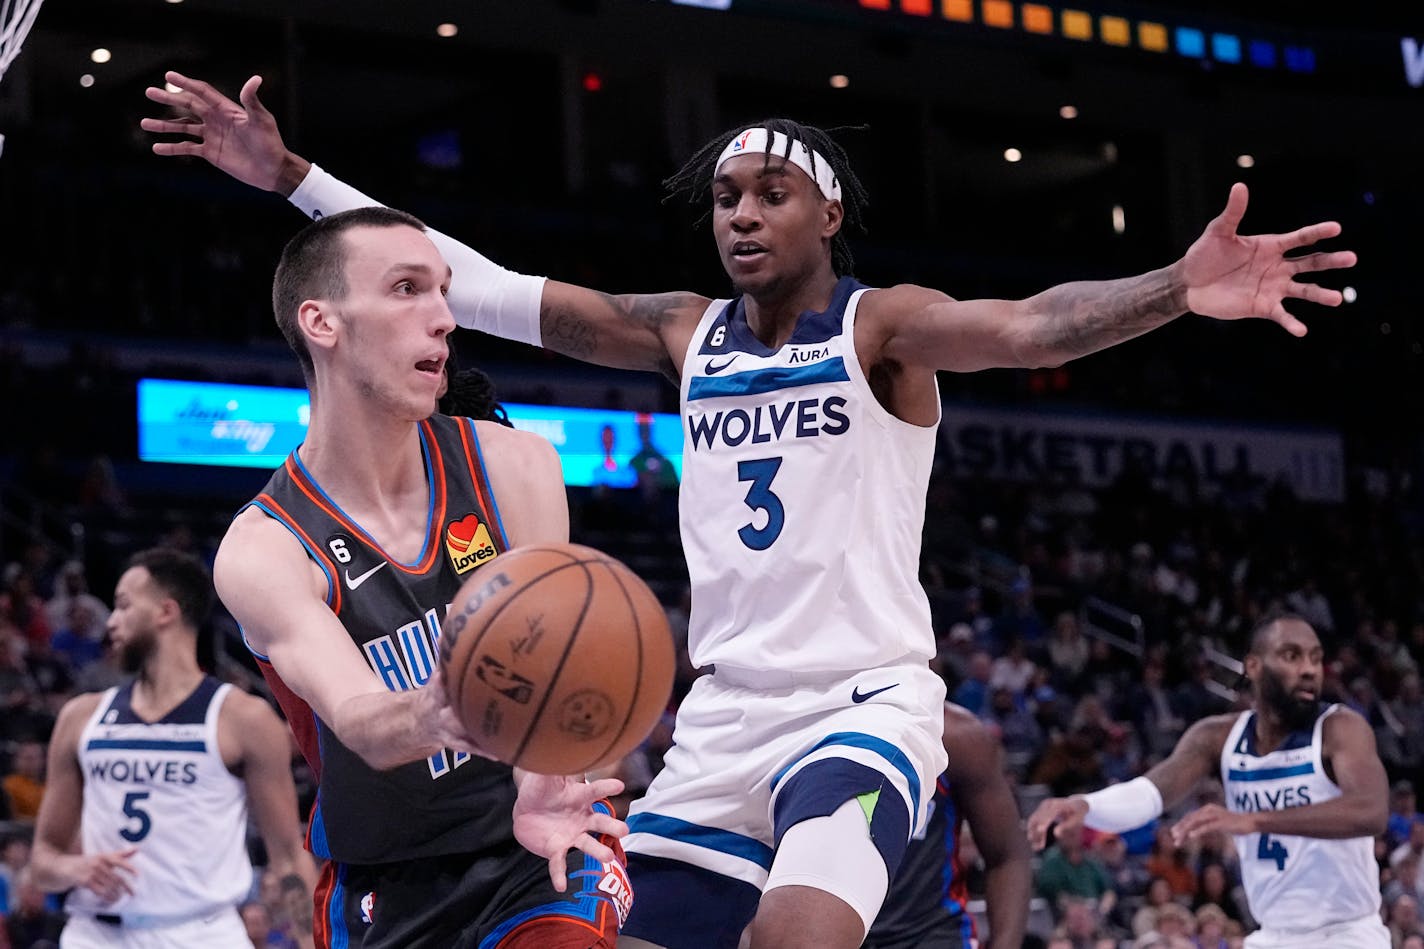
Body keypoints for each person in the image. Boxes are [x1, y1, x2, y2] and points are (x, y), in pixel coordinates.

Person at [141, 72, 1356, 949]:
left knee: (792, 935)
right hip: (721, 718)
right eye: (724, 194)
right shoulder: (684, 332)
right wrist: (294, 179)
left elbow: (1029, 322)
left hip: (862, 701)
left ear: (827, 216)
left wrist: (1177, 291)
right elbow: (484, 286)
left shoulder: (878, 330)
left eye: (769, 192)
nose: (737, 212)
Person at [207, 207, 629, 948]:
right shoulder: (265, 547)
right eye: (407, 289)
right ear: (322, 323)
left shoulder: (512, 465)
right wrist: (444, 708)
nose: (442, 318)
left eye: (444, 292)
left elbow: (568, 670)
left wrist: (546, 766)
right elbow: (362, 719)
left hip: (538, 844)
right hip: (384, 880)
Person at [1026, 612, 1390, 948]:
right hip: (1274, 936)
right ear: (1254, 666)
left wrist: (1255, 820)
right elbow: (1150, 793)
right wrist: (1086, 805)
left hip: (1347, 934)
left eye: (1314, 657)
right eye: (1292, 656)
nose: (1309, 669)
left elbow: (1370, 811)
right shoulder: (1218, 736)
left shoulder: (1340, 729)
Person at [28, 546, 318, 948]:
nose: (111, 622)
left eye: (124, 606)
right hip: (96, 934)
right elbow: (42, 859)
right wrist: (75, 869)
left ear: (165, 612)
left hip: (203, 933)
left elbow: (288, 857)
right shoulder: (81, 717)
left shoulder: (243, 719)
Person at [863, 702, 1032, 949]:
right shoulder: (803, 728)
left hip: (930, 935)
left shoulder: (955, 735)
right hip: (828, 931)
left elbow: (1009, 855)